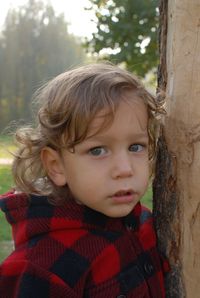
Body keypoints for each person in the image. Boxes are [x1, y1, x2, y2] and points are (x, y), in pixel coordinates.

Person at [0, 62, 169, 297]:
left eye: (136, 146)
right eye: (98, 150)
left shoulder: (143, 223)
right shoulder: (42, 267)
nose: (125, 168)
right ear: (56, 166)